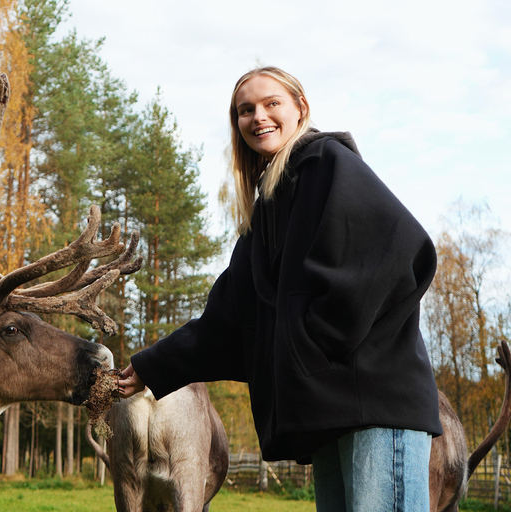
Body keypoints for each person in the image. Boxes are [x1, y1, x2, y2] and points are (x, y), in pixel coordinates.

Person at [117, 67, 442, 511]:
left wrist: (313, 347)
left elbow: (399, 250)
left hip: (377, 405)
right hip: (330, 415)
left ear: (300, 108)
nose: (258, 117)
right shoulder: (264, 216)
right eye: (245, 110)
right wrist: (149, 369)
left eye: (272, 103)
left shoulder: (327, 163)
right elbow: (225, 324)